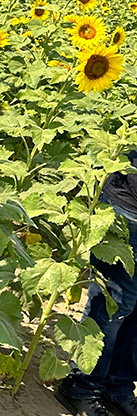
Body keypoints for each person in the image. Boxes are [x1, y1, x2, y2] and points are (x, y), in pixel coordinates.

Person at [55, 150, 137, 416]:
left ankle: (118, 386)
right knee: (115, 299)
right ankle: (82, 385)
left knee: (134, 308)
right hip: (128, 204)